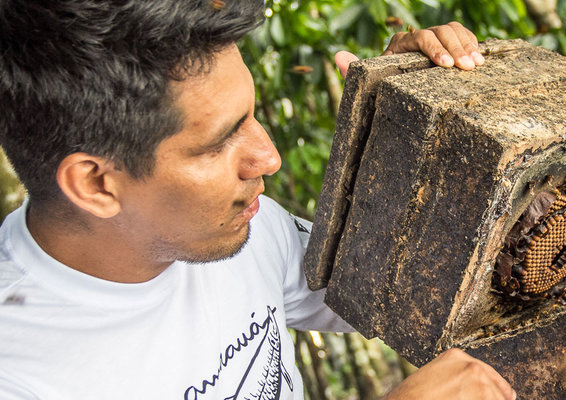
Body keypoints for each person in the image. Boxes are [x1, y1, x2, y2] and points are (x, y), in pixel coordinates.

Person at [0, 0, 515, 399]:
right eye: (219, 142)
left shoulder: (247, 225)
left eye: (251, 115)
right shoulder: (22, 374)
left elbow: (394, 295)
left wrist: (408, 133)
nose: (268, 157)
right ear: (95, 184)